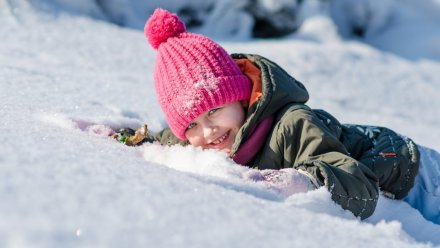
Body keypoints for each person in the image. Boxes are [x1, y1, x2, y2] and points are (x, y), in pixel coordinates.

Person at [116, 8, 440, 223]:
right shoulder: (200, 138)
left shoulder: (292, 124)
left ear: (241, 99)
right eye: (193, 124)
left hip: (413, 174)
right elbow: (167, 138)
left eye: (214, 110)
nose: (208, 131)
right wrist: (130, 138)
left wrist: (299, 181)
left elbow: (358, 188)